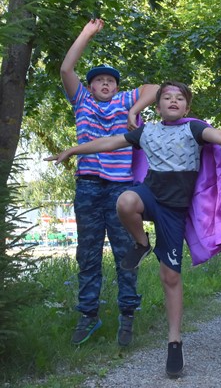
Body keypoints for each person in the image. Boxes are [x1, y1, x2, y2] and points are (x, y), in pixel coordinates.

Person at [47, 81, 221, 377]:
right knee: (125, 201)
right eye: (167, 97)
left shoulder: (194, 129)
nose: (173, 101)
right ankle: (142, 243)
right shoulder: (147, 131)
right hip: (150, 196)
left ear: (187, 107)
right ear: (157, 107)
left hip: (173, 211)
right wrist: (73, 150)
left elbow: (219, 134)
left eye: (179, 98)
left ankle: (174, 341)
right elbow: (110, 142)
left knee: (170, 276)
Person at [60, 18, 160, 347]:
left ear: (116, 88)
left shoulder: (124, 101)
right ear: (89, 88)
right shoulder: (82, 102)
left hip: (120, 189)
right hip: (88, 186)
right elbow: (66, 69)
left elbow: (154, 89)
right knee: (87, 254)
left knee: (125, 253)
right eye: (99, 80)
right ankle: (88, 315)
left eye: (110, 81)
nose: (105, 83)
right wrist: (86, 33)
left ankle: (127, 314)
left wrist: (135, 111)